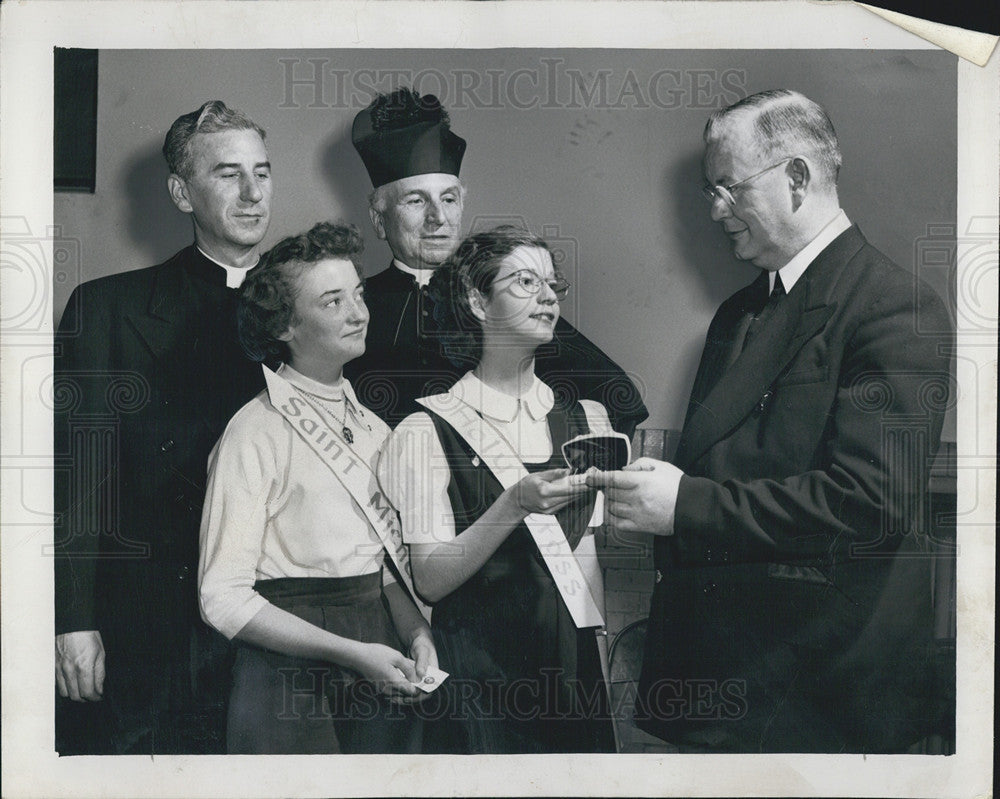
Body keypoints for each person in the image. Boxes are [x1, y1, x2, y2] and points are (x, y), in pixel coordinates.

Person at [588, 90, 954, 753]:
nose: (713, 210)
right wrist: (664, 489)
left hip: (816, 691)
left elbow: (870, 503)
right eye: (708, 190)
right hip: (727, 678)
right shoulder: (737, 314)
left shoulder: (895, 305)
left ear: (796, 177)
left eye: (728, 188)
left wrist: (683, 504)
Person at [53, 100, 273, 754]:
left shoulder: (318, 311)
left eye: (263, 171)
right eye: (229, 174)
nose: (254, 193)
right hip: (147, 627)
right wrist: (73, 620)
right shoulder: (107, 309)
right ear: (182, 191)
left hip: (275, 622)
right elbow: (78, 482)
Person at [198, 221, 435, 754]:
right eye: (333, 301)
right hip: (287, 665)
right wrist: (352, 653)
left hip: (378, 652)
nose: (359, 312)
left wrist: (418, 633)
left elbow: (383, 568)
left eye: (358, 293)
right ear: (284, 325)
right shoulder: (254, 431)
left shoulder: (377, 430)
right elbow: (222, 599)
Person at [379, 225, 616, 754]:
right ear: (477, 302)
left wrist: (596, 666)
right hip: (479, 679)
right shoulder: (425, 430)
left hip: (570, 672)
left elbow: (585, 560)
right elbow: (432, 579)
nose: (549, 297)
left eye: (553, 285)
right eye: (526, 282)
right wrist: (512, 504)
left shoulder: (587, 420)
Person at [346, 86, 648, 436]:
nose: (438, 218)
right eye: (416, 201)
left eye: (448, 199)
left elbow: (619, 399)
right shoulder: (352, 305)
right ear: (379, 220)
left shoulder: (504, 296)